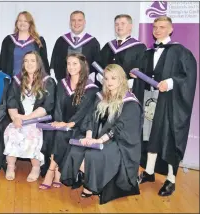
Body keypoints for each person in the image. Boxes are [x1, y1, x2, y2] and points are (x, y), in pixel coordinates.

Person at [60, 64, 143, 204]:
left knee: (93, 155)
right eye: (106, 78)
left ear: (122, 79)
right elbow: (90, 118)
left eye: (113, 78)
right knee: (76, 150)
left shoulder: (130, 102)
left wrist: (100, 141)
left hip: (120, 143)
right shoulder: (101, 97)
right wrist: (88, 136)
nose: (109, 82)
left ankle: (91, 185)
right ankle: (88, 180)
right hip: (98, 137)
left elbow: (119, 128)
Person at [137, 16, 197, 197]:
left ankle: (171, 180)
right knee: (149, 137)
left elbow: (189, 76)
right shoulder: (147, 52)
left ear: (171, 29)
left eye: (162, 27)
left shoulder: (180, 52)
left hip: (168, 103)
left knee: (167, 138)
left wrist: (170, 82)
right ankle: (148, 171)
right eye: (155, 27)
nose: (157, 30)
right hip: (148, 100)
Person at [40, 53, 98, 190]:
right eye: (69, 63)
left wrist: (69, 124)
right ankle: (57, 171)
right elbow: (58, 106)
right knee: (53, 132)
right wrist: (59, 122)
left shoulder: (91, 88)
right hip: (62, 123)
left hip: (79, 126)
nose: (71, 67)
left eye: (75, 63)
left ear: (82, 66)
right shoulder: (62, 84)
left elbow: (84, 112)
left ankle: (51, 171)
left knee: (61, 134)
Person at [4, 51, 56, 182]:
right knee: (11, 131)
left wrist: (26, 118)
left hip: (38, 120)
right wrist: (15, 117)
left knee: (32, 134)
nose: (29, 63)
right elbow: (11, 101)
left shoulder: (48, 81)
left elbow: (47, 106)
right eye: (26, 61)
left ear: (38, 63)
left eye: (32, 60)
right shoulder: (17, 80)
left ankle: (36, 167)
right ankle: (11, 165)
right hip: (19, 118)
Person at [99, 14, 146, 101]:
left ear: (130, 26)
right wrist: (100, 76)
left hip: (127, 91)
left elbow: (142, 69)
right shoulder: (108, 46)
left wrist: (132, 81)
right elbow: (99, 64)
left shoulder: (139, 47)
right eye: (116, 24)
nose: (119, 26)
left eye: (123, 23)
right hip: (107, 90)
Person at [50, 10, 100, 83]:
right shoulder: (61, 41)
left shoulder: (93, 42)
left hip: (85, 84)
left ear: (84, 22)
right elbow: (54, 63)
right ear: (70, 23)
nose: (76, 23)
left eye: (79, 20)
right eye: (73, 20)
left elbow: (96, 65)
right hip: (64, 84)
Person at [0, 11, 49, 77]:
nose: (22, 23)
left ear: (30, 23)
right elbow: (3, 62)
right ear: (16, 23)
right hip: (13, 81)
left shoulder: (39, 41)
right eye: (20, 20)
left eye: (25, 21)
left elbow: (44, 63)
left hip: (34, 81)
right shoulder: (8, 40)